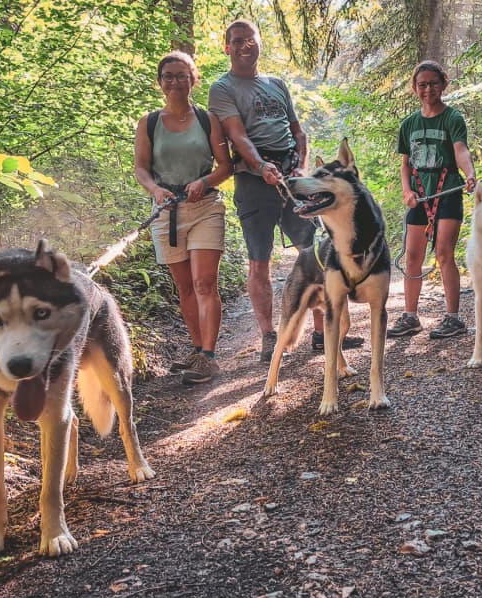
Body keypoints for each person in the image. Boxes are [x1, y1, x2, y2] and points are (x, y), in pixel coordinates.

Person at [208, 19, 362, 362]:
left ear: (259, 43)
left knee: (316, 252)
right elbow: (237, 135)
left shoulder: (276, 84)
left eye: (251, 40)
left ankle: (324, 333)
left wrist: (299, 166)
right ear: (227, 47)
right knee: (259, 261)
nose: (246, 46)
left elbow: (298, 131)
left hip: (291, 177)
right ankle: (269, 337)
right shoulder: (223, 88)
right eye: (237, 41)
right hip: (253, 182)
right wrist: (262, 166)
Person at [133, 51, 234, 385]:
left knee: (205, 282)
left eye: (181, 75)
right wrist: (155, 190)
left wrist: (203, 182)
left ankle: (209, 356)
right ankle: (196, 348)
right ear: (160, 82)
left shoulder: (208, 120)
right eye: (168, 76)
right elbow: (141, 168)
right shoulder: (148, 122)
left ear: (193, 79)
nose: (175, 82)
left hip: (205, 207)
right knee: (184, 286)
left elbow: (225, 166)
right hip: (167, 211)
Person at [388, 60, 477, 340]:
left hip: (446, 192)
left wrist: (470, 173)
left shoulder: (453, 119)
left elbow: (460, 149)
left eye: (433, 83)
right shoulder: (409, 124)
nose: (428, 89)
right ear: (415, 88)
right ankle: (411, 317)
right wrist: (407, 191)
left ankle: (453, 318)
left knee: (443, 254)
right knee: (413, 257)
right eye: (422, 84)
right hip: (419, 197)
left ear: (443, 85)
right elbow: (405, 164)